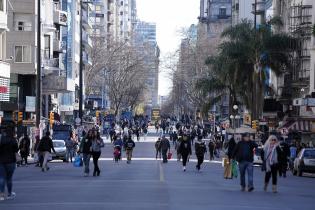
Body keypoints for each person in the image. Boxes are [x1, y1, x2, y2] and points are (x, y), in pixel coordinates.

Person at [0, 122, 19, 200]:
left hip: (1, 161)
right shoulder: (13, 140)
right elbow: (16, 150)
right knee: (9, 178)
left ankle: (1, 195)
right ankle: (9, 193)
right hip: (11, 161)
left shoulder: (1, 139)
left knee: (1, 177)